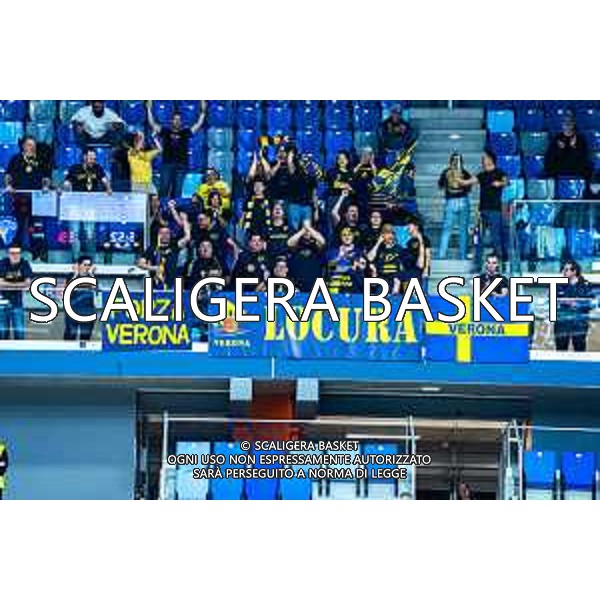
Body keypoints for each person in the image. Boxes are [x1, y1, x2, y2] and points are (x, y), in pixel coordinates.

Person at [147, 101, 207, 201]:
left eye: (179, 120)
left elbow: (198, 124)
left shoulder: (185, 132)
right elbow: (152, 124)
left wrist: (203, 112)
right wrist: (149, 109)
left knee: (177, 192)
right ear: (172, 121)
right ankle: (161, 208)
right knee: (164, 189)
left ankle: (175, 208)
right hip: (167, 165)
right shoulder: (166, 131)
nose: (177, 121)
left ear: (181, 122)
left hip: (181, 166)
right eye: (175, 119)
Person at [5, 136, 52, 250]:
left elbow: (46, 177)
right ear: (23, 146)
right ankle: (17, 248)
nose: (32, 147)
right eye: (29, 145)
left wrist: (46, 186)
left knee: (34, 225)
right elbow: (8, 175)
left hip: (36, 198)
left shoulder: (41, 160)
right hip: (19, 197)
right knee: (20, 224)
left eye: (34, 145)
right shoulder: (15, 159)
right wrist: (8, 186)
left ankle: (36, 249)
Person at [463, 150, 509, 266]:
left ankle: (500, 263)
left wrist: (499, 183)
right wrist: (458, 180)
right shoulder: (481, 175)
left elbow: (507, 182)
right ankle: (477, 263)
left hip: (494, 210)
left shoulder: (499, 172)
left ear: (491, 159)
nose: (483, 160)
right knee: (479, 237)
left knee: (496, 237)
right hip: (482, 210)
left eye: (485, 158)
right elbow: (468, 182)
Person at [438, 153, 472, 260]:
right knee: (451, 229)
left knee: (459, 230)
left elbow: (469, 187)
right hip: (454, 201)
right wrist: (449, 178)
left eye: (457, 160)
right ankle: (445, 255)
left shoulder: (465, 173)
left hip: (459, 201)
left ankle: (457, 255)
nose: (456, 162)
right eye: (454, 160)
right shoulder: (448, 172)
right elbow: (440, 185)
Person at [555, 261, 594, 352]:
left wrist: (578, 304)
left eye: (566, 270)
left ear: (574, 271)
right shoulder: (558, 284)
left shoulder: (586, 285)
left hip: (579, 323)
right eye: (563, 270)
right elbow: (551, 299)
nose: (564, 272)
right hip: (562, 322)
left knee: (579, 348)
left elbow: (591, 302)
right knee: (561, 349)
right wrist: (565, 302)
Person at [138, 225, 190, 290]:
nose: (164, 235)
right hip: (156, 284)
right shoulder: (152, 248)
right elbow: (140, 264)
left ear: (170, 235)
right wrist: (153, 268)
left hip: (172, 284)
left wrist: (185, 221)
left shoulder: (174, 246)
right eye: (162, 233)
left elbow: (187, 238)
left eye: (167, 233)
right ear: (158, 235)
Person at [0, 242, 33, 340]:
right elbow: (0, 283)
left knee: (19, 332)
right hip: (2, 303)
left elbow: (28, 283)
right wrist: (19, 284)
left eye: (17, 253)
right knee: (2, 333)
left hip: (17, 303)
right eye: (12, 253)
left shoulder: (24, 264)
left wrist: (7, 284)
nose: (15, 256)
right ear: (8, 254)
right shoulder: (2, 263)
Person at [63, 256, 96, 342]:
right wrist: (75, 274)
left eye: (89, 265)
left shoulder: (91, 277)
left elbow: (95, 288)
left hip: (87, 310)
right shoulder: (71, 276)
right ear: (79, 265)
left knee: (85, 336)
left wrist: (91, 275)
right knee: (70, 335)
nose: (87, 267)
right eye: (85, 265)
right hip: (73, 309)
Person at [287, 220, 326, 292]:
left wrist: (308, 228)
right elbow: (289, 243)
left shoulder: (315, 246)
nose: (307, 232)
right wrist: (303, 230)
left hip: (314, 283)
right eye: (305, 230)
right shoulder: (297, 244)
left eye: (309, 231)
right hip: (297, 283)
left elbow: (322, 241)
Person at [366, 224, 405, 294]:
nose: (390, 236)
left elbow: (402, 268)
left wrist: (397, 283)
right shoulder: (378, 249)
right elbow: (369, 258)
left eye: (392, 233)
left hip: (394, 281)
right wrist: (378, 243)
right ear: (382, 235)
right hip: (381, 280)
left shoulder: (399, 249)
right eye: (387, 233)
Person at [327, 227, 360, 294]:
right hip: (335, 287)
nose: (347, 237)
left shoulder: (358, 252)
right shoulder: (333, 252)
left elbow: (355, 269)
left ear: (353, 236)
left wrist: (340, 267)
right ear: (340, 237)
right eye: (344, 235)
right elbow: (331, 268)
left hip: (353, 286)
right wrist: (340, 257)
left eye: (349, 235)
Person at [404, 217, 431, 286]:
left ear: (416, 226)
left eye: (409, 225)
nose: (407, 227)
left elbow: (428, 255)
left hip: (421, 272)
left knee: (422, 291)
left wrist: (426, 269)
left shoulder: (425, 239)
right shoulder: (409, 242)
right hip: (412, 271)